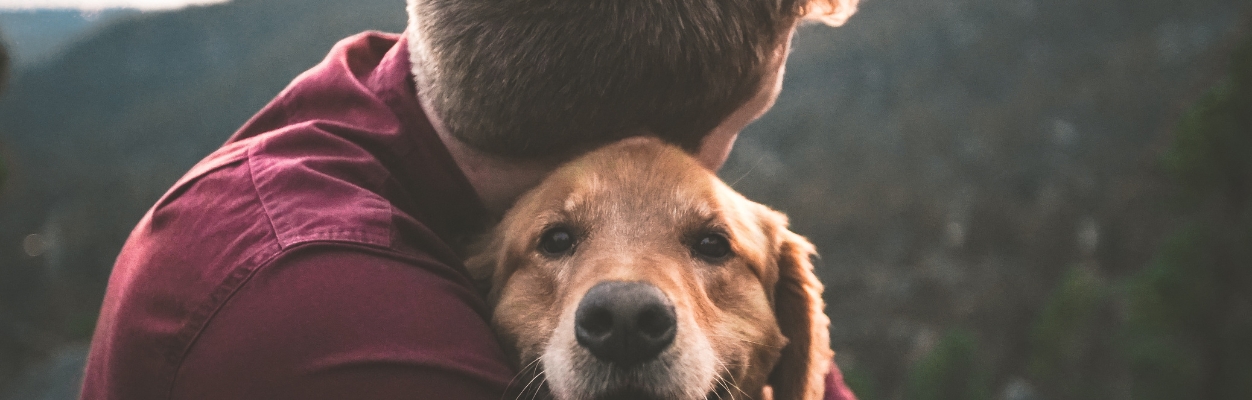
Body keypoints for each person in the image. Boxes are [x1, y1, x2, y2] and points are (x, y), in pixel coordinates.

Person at [79, 0, 860, 398]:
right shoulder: (330, 312)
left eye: (706, 237)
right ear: (641, 143)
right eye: (744, 122)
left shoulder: (402, 96)